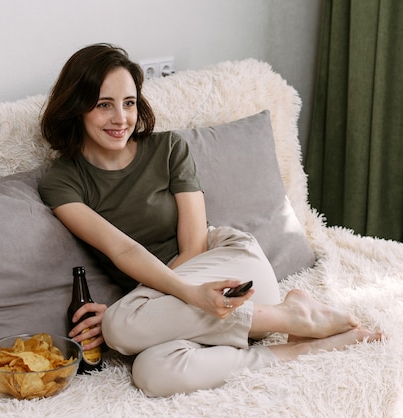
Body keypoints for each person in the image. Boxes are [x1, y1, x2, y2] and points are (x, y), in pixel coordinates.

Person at [38, 43, 382, 397]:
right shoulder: (62, 181)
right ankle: (300, 348)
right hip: (180, 305)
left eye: (129, 103)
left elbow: (195, 246)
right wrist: (169, 301)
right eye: (103, 105)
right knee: (153, 373)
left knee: (119, 326)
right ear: (77, 107)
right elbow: (122, 250)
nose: (121, 118)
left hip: (230, 268)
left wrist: (131, 312)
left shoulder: (169, 149)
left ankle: (292, 315)